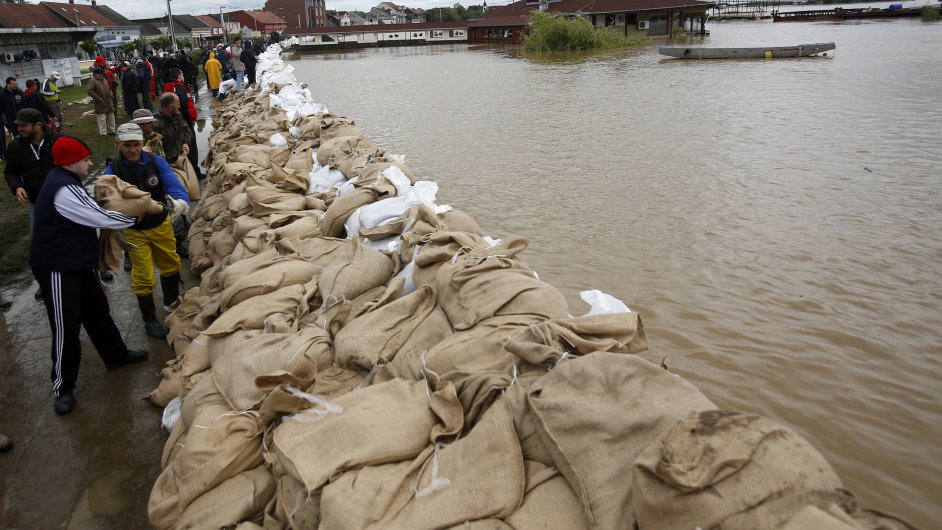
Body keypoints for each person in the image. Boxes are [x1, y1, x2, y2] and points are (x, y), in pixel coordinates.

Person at [30, 135, 150, 415]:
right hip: (57, 267)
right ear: (70, 162)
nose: (90, 163)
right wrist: (135, 218)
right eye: (85, 159)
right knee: (66, 327)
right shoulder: (62, 189)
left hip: (76, 263)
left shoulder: (66, 181)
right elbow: (98, 216)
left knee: (97, 311)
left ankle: (116, 356)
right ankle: (63, 387)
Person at [104, 123, 188, 339]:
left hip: (160, 225)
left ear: (143, 143)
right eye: (126, 146)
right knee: (143, 276)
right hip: (134, 232)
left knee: (171, 264)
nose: (132, 150)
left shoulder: (155, 162)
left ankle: (171, 303)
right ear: (118, 144)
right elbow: (105, 201)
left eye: (136, 145)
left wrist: (178, 202)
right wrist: (126, 213)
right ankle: (150, 320)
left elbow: (173, 187)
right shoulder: (113, 170)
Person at [162, 71, 203, 180]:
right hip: (184, 120)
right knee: (191, 148)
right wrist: (191, 118)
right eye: (183, 75)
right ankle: (195, 173)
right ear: (179, 76)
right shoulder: (179, 88)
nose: (183, 77)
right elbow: (185, 105)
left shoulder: (168, 87)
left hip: (177, 119)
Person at [87, 67, 116, 136]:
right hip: (100, 102)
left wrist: (111, 95)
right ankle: (103, 132)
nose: (101, 75)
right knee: (102, 118)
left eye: (101, 74)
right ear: (95, 74)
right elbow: (89, 91)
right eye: (99, 74)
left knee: (111, 116)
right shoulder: (92, 81)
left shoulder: (104, 80)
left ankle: (112, 130)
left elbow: (109, 88)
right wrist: (98, 97)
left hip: (109, 101)